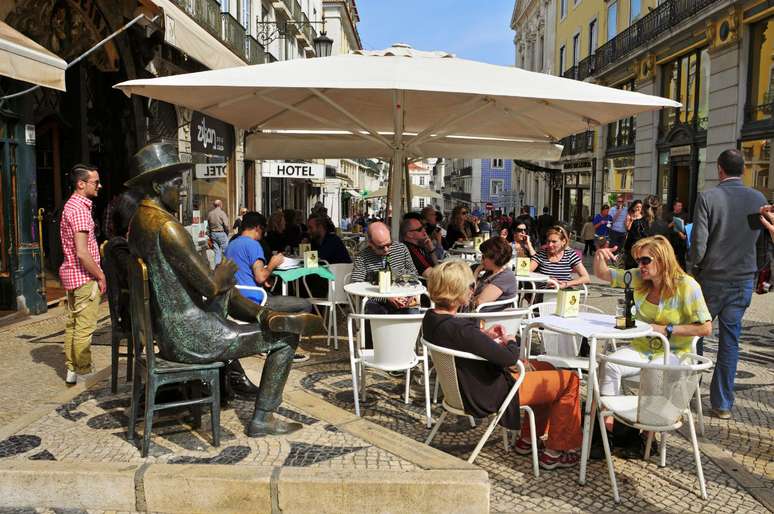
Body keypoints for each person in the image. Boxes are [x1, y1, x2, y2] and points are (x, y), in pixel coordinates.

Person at [126, 143, 320, 437]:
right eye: (177, 184)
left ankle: (265, 314)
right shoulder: (168, 228)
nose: (182, 191)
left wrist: (221, 280)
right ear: (156, 184)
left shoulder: (138, 222)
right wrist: (225, 271)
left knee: (228, 292)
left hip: (167, 329)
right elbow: (210, 285)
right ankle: (263, 418)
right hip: (191, 336)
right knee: (285, 338)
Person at [423, 260, 582, 469]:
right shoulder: (462, 330)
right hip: (489, 395)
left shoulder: (431, 319)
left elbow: (469, 343)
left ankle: (528, 439)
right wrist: (509, 339)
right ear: (458, 291)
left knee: (546, 367)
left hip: (462, 390)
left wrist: (485, 337)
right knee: (569, 380)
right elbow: (509, 358)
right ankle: (556, 450)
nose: (473, 290)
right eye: (471, 286)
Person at [690, 149, 767, 419]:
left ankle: (689, 390)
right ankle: (722, 403)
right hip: (743, 278)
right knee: (730, 340)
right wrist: (757, 270)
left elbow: (699, 244)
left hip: (712, 278)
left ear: (719, 169)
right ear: (743, 170)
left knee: (696, 332)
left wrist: (692, 269)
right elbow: (762, 243)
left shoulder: (708, 198)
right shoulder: (757, 198)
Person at [593, 235, 712, 395]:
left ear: (662, 260)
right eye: (638, 261)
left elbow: (705, 328)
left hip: (675, 352)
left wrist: (667, 329)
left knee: (654, 372)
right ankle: (609, 417)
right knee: (609, 365)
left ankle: (650, 418)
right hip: (641, 349)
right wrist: (599, 255)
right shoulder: (638, 277)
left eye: (645, 261)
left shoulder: (687, 286)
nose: (640, 265)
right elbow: (604, 274)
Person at [59, 164, 106, 385]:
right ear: (81, 184)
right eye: (95, 182)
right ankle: (84, 372)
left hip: (72, 276)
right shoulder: (79, 210)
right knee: (84, 328)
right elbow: (82, 252)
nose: (99, 186)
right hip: (84, 277)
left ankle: (71, 369)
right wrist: (100, 275)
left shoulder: (71, 206)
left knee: (73, 325)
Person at [351, 222, 418, 347]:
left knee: (413, 312)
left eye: (389, 244)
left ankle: (406, 350)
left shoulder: (401, 249)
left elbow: (414, 274)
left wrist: (397, 279)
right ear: (370, 243)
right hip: (376, 300)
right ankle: (375, 351)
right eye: (381, 247)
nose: (387, 249)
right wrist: (385, 297)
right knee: (372, 310)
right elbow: (356, 285)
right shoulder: (362, 257)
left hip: (402, 295)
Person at [471, 237, 518, 311]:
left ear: (494, 258)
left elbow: (479, 302)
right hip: (478, 315)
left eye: (483, 257)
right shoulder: (490, 271)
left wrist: (472, 298)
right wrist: (476, 271)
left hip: (487, 319)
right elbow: (472, 292)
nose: (481, 260)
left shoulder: (505, 277)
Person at [206, 199, 230, 266]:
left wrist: (209, 236)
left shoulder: (210, 213)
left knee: (217, 253)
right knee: (226, 251)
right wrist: (227, 233)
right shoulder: (222, 213)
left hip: (213, 234)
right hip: (221, 233)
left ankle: (217, 267)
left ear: (214, 205)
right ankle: (226, 267)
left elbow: (208, 227)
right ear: (220, 205)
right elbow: (226, 225)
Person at [666, 200, 689, 270]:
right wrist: (672, 223)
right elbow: (666, 227)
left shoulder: (685, 215)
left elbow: (687, 226)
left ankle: (683, 272)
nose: (680, 207)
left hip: (681, 240)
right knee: (671, 257)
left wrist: (686, 234)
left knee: (682, 258)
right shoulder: (669, 215)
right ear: (674, 207)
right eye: (678, 206)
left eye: (681, 206)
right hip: (672, 239)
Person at [623, 200, 645, 268]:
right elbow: (628, 229)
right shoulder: (629, 216)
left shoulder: (643, 216)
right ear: (633, 207)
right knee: (631, 261)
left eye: (640, 207)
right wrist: (632, 220)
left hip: (641, 242)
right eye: (637, 207)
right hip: (631, 241)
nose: (638, 208)